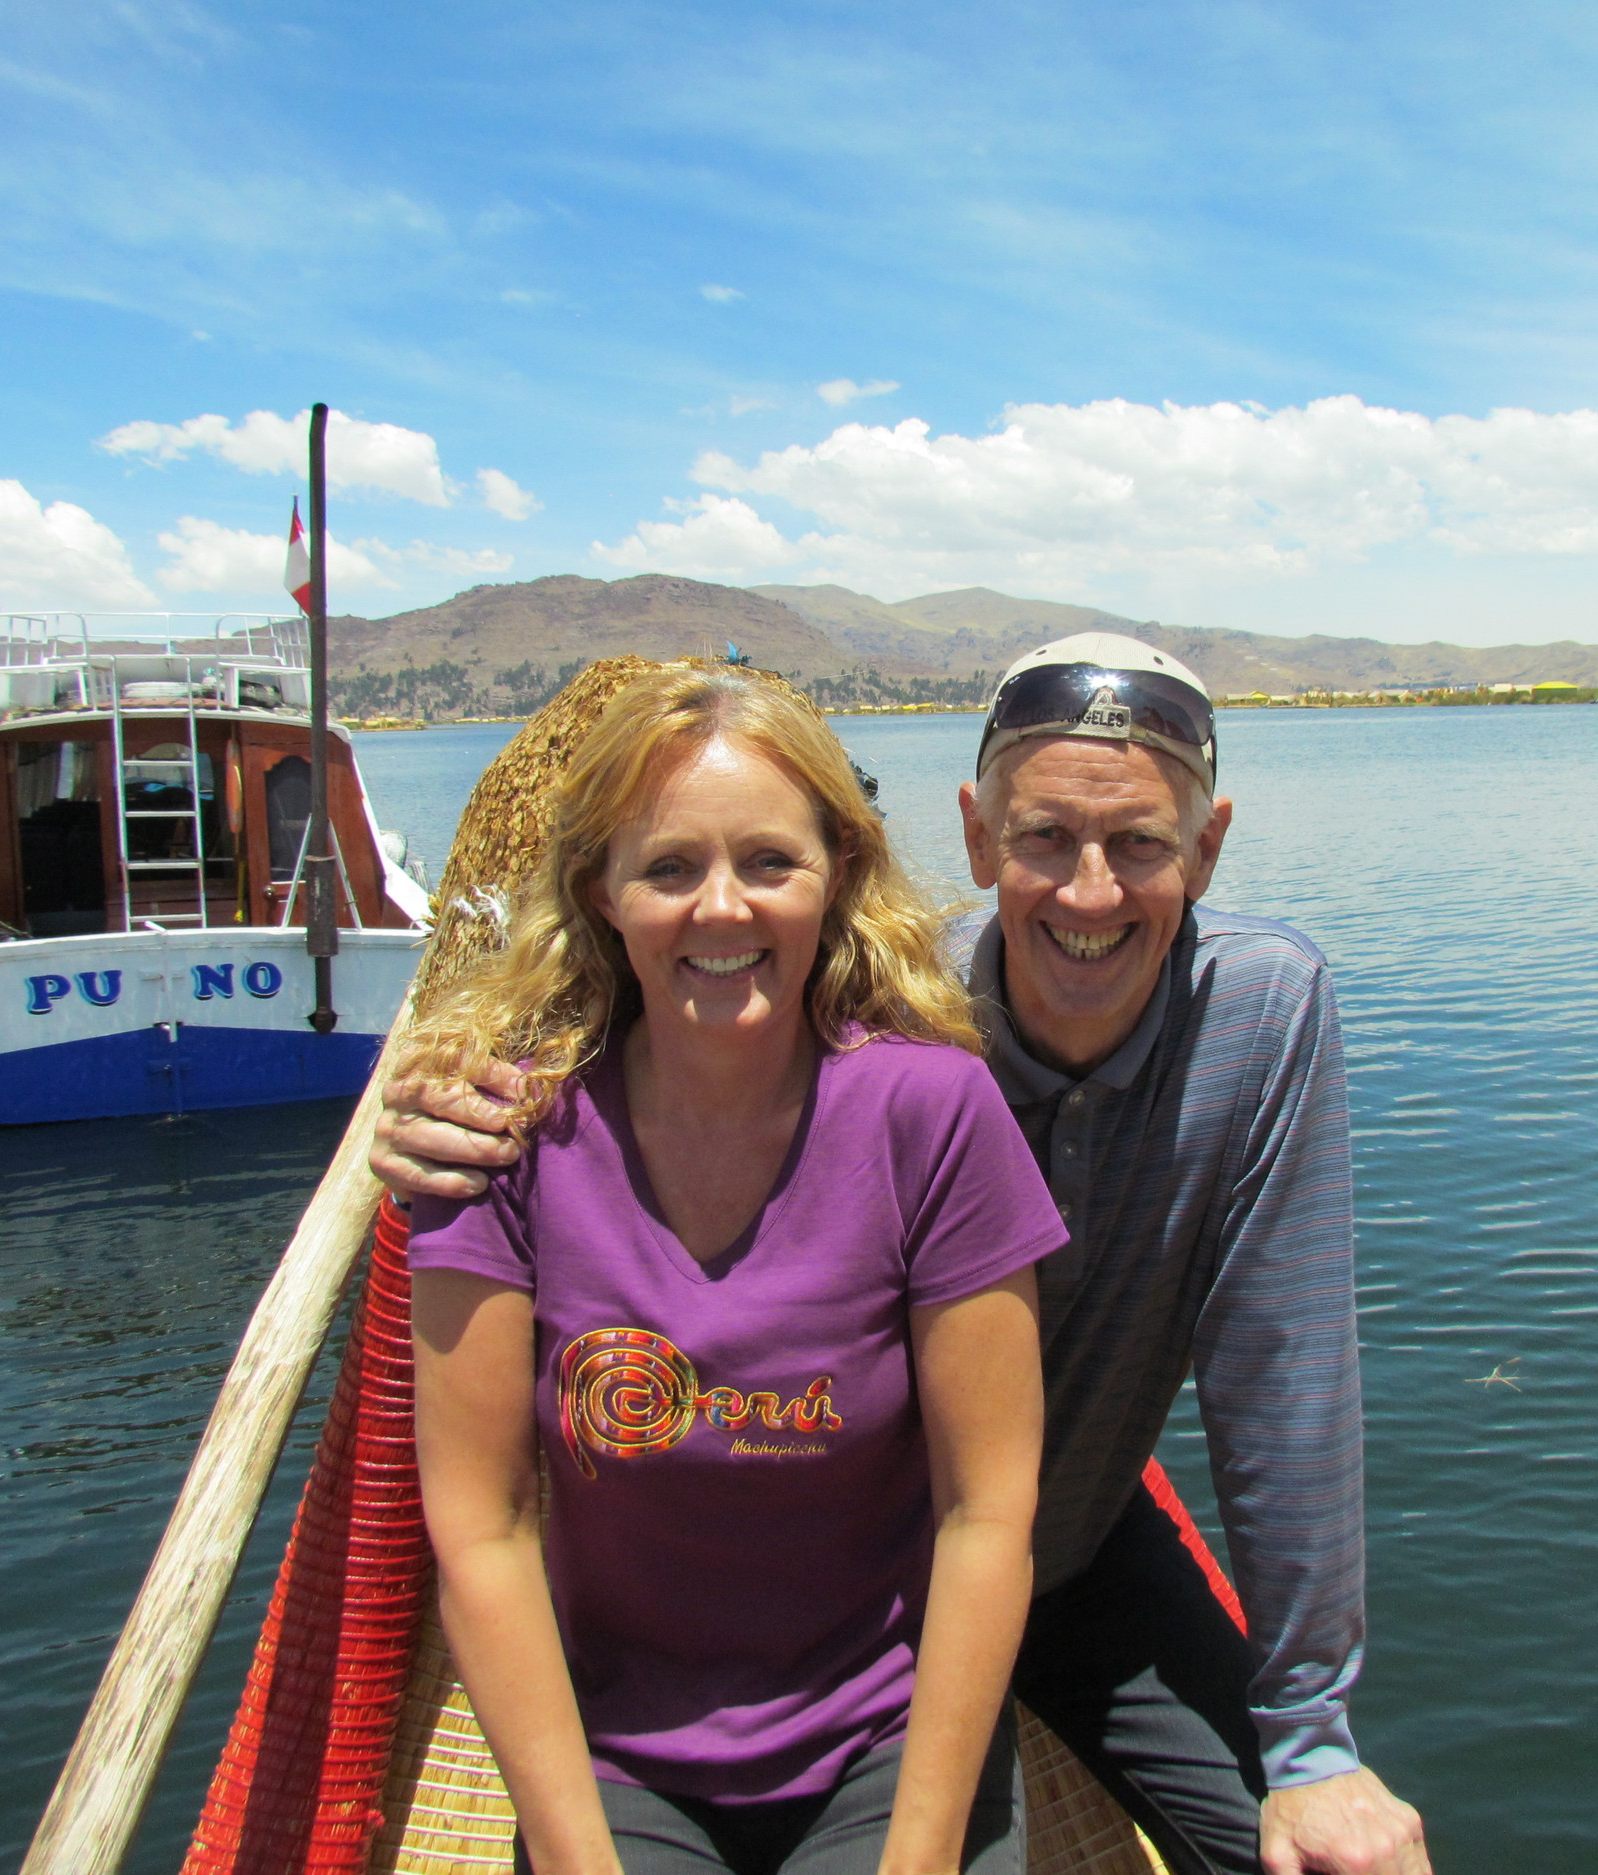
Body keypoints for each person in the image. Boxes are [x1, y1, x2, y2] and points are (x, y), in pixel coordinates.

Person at [383, 637, 1432, 1875]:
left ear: (1205, 852)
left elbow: (1281, 1383)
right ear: (978, 840)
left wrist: (1311, 1743)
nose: (1089, 893)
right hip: (862, 1599)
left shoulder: (1243, 1016)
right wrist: (447, 1095)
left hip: (1067, 1551)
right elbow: (676, 1004)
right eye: (1043, 839)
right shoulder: (863, 1003)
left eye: (1140, 844)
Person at [405, 665, 1070, 1875]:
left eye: (769, 863)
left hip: (884, 1743)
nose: (722, 911)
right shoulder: (504, 1139)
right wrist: (571, 1855)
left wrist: (917, 1856)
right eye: (668, 869)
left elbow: (986, 1512)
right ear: (599, 892)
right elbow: (483, 1526)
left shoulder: (931, 1113)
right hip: (621, 1760)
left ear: (838, 877)